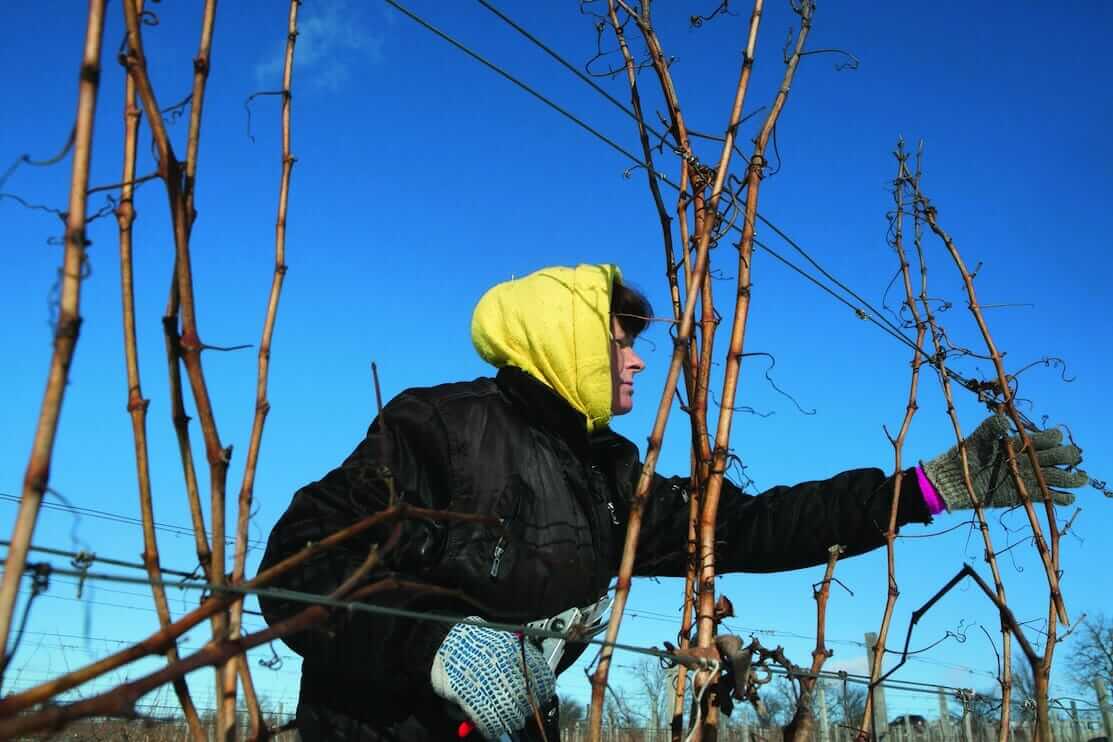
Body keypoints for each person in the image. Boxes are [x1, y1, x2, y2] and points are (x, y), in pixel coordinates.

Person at [258, 263, 1087, 741]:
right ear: (566, 336)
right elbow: (297, 562)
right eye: (622, 342)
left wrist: (924, 491)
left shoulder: (611, 474)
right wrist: (436, 643)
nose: (638, 363)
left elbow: (754, 527)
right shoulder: (439, 426)